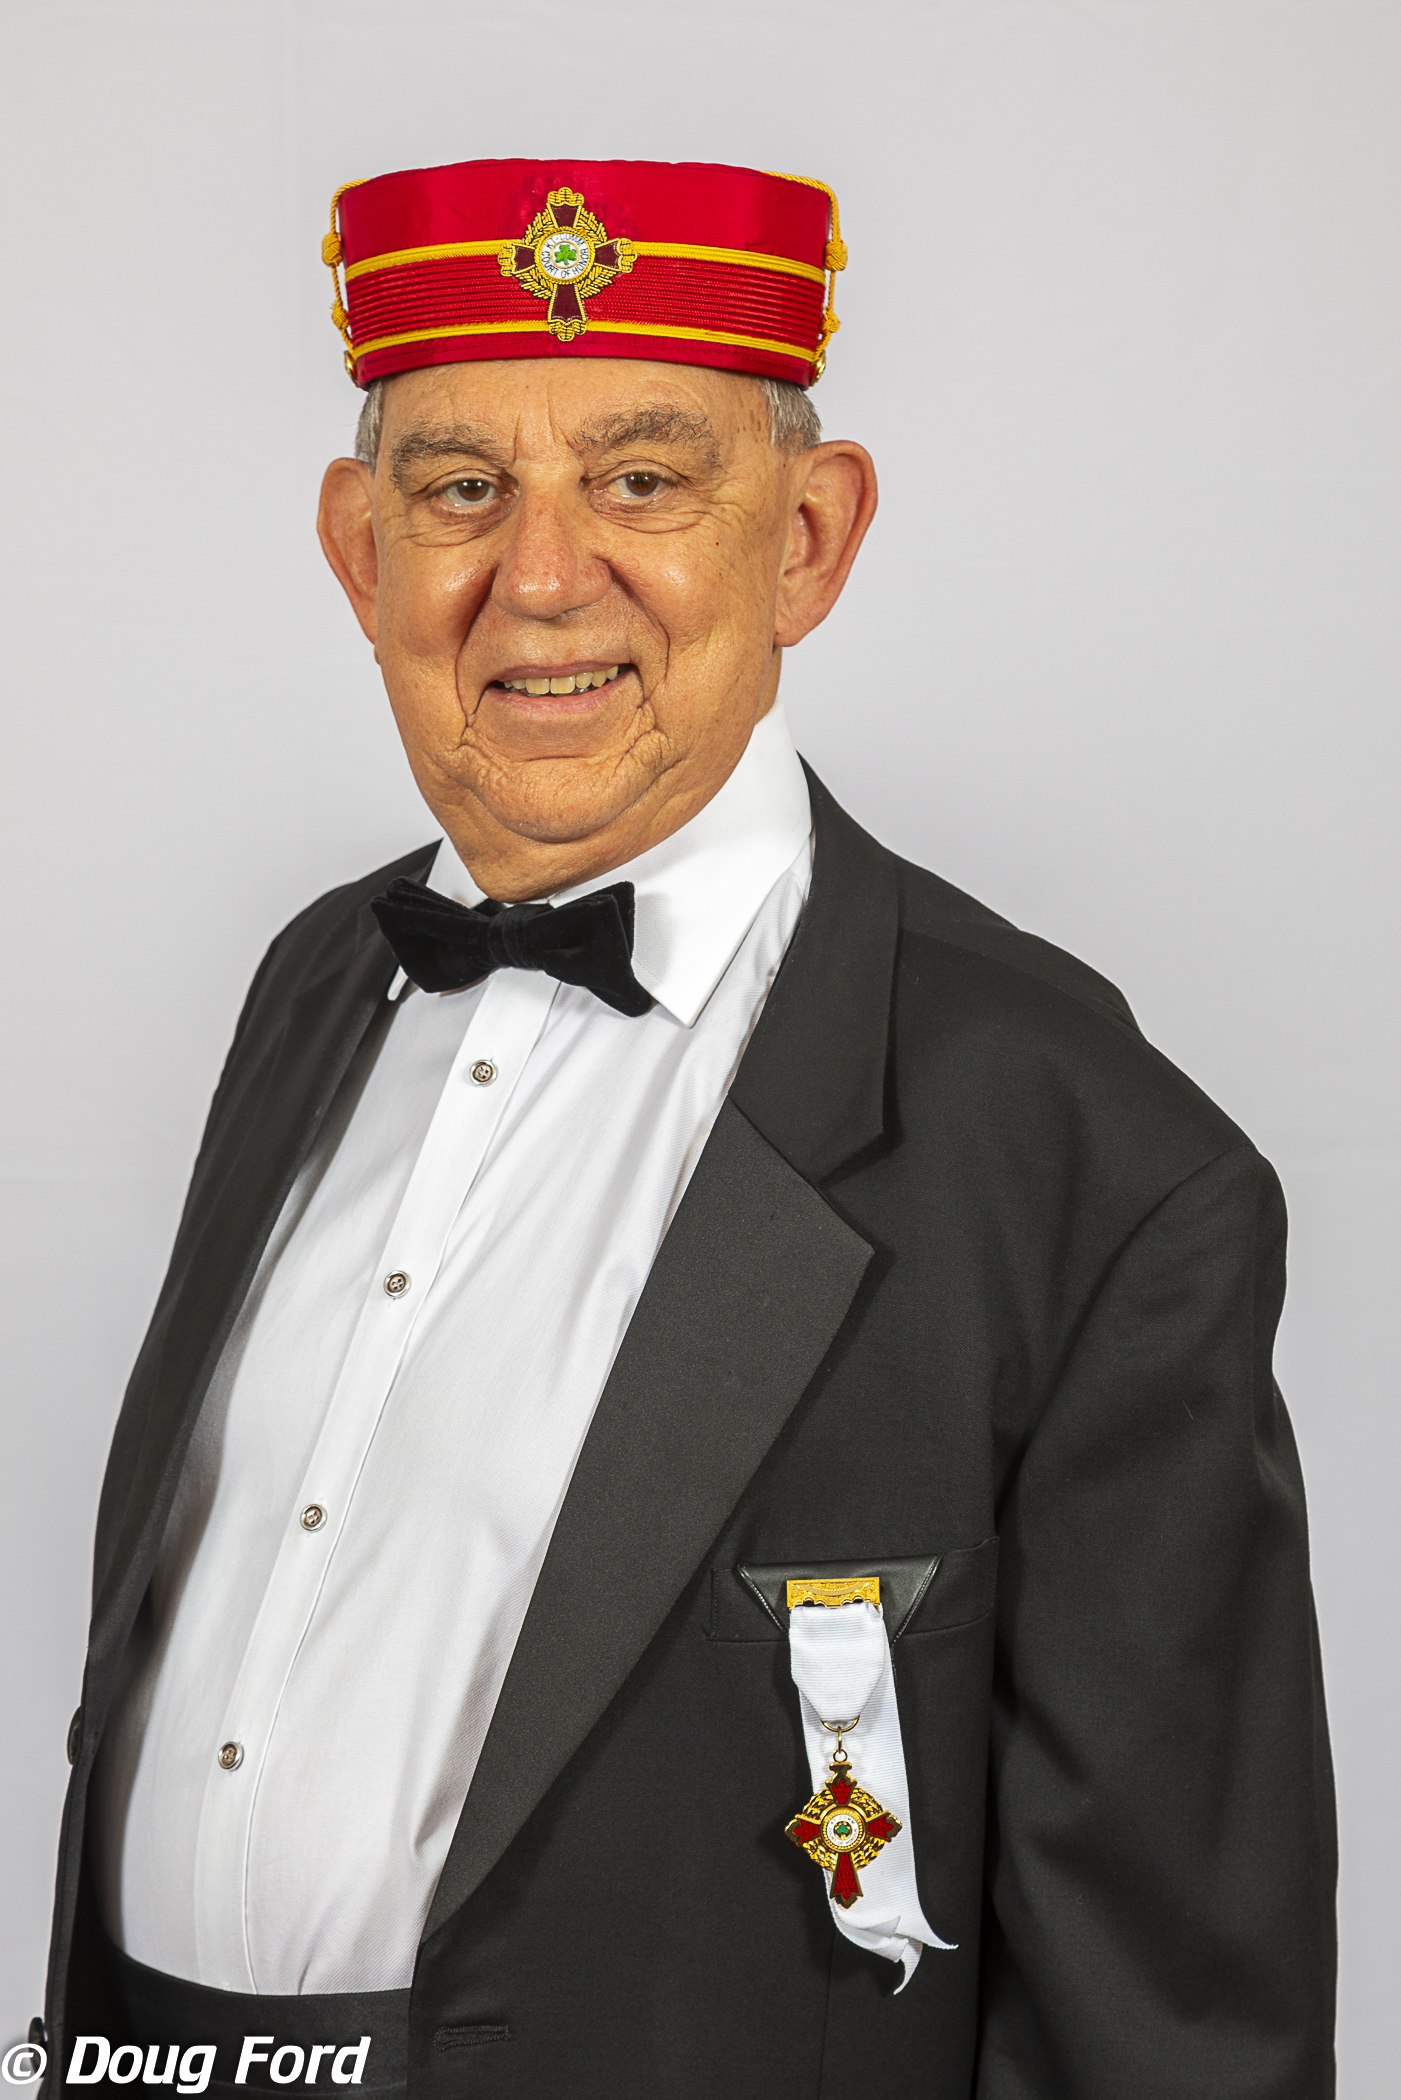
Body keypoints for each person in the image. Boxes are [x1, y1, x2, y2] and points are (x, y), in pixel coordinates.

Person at [37, 155, 1335, 2099]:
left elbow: (1166, 2029)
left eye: (640, 481)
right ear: (357, 549)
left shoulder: (1086, 1156)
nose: (542, 577)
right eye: (458, 491)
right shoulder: (315, 980)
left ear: (806, 538)